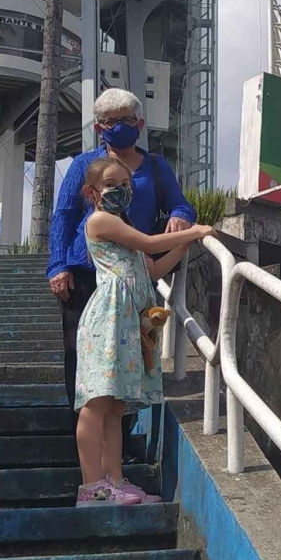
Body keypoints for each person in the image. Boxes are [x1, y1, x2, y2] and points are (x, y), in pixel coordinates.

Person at [73, 155, 215, 505]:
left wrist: (183, 243)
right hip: (108, 318)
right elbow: (151, 244)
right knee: (97, 401)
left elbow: (153, 269)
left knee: (117, 406)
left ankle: (115, 480)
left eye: (125, 184)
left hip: (127, 320)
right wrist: (197, 229)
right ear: (92, 192)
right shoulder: (101, 221)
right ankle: (92, 486)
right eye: (111, 184)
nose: (120, 190)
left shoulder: (123, 229)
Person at [48, 89, 196, 403]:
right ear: (99, 128)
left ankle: (121, 435)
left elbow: (180, 204)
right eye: (111, 121)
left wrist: (181, 218)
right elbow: (64, 216)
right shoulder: (84, 165)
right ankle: (80, 430)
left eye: (127, 119)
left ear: (140, 124)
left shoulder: (156, 167)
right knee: (82, 352)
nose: (119, 126)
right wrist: (58, 267)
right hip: (87, 276)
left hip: (136, 278)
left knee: (134, 355)